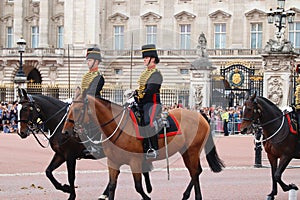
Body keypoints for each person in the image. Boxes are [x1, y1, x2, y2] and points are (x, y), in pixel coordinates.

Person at [135, 44, 163, 159]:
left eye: (146, 58)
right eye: (144, 58)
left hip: (152, 103)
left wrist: (140, 95)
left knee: (147, 121)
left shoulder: (156, 74)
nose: (144, 60)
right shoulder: (144, 73)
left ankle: (153, 148)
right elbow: (141, 88)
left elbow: (150, 90)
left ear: (152, 59)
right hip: (142, 103)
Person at [80, 47, 105, 158]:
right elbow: (82, 90)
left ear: (96, 62)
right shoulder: (86, 76)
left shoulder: (99, 77)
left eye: (90, 60)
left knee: (92, 119)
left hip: (94, 103)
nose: (88, 62)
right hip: (84, 102)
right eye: (88, 60)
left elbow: (92, 92)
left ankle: (95, 145)